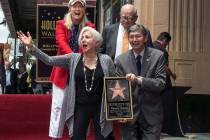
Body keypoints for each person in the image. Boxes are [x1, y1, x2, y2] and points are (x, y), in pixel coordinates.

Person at [17, 26, 115, 140]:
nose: (83, 39)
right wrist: (32, 47)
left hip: (101, 107)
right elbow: (49, 60)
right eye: (81, 38)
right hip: (80, 106)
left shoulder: (106, 60)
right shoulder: (73, 58)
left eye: (87, 37)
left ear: (96, 42)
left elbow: (115, 82)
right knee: (77, 137)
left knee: (103, 137)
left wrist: (129, 79)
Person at [49, 0, 95, 139]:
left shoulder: (90, 26)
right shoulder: (61, 24)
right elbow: (61, 42)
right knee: (58, 107)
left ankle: (77, 136)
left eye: (80, 6)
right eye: (74, 6)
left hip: (82, 73)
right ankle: (54, 137)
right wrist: (74, 58)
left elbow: (91, 45)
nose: (77, 9)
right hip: (62, 73)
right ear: (70, 8)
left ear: (84, 9)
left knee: (80, 107)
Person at [115, 24, 166, 140]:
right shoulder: (121, 60)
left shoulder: (158, 56)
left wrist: (138, 80)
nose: (134, 40)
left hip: (152, 114)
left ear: (145, 38)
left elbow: (161, 83)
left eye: (138, 36)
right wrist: (120, 112)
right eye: (131, 37)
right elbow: (118, 89)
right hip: (129, 116)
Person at [153, 32, 179, 136]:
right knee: (161, 106)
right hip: (161, 83)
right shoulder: (162, 50)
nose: (166, 45)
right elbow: (164, 67)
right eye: (167, 43)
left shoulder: (149, 46)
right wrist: (173, 75)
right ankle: (159, 131)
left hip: (149, 81)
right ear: (165, 40)